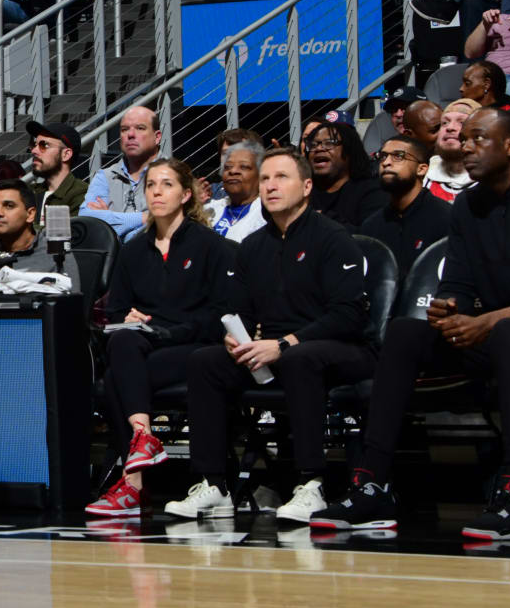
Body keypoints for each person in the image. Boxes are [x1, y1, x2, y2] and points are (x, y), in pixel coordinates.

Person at [312, 109, 510, 538]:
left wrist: (487, 320)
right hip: (497, 331)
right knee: (407, 332)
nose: (466, 146)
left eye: (478, 138)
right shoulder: (468, 204)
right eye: (463, 139)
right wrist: (449, 308)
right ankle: (371, 481)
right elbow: (459, 282)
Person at [165, 148, 374, 525]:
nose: (270, 186)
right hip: (270, 349)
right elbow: (236, 310)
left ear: (307, 186)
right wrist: (233, 338)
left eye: (281, 177)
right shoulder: (253, 247)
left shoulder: (333, 238)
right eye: (265, 179)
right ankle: (214, 484)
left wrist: (285, 343)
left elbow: (348, 315)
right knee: (206, 361)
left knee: (300, 358)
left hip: (338, 348)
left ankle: (312, 482)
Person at [86, 159, 232, 518]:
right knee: (122, 343)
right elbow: (115, 311)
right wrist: (127, 318)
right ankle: (143, 439)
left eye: (166, 185)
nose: (156, 192)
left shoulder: (210, 245)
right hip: (145, 344)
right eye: (151, 185)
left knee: (115, 379)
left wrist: (172, 330)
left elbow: (220, 315)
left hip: (194, 345)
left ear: (185, 195)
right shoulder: (134, 249)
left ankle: (133, 483)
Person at [359, 135, 452, 277]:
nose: (386, 163)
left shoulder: (446, 218)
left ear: (421, 169)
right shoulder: (371, 226)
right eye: (383, 156)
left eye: (398, 156)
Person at [83, 106, 163, 239]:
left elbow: (170, 222)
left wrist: (110, 220)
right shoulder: (105, 176)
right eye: (124, 129)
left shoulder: (173, 175)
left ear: (157, 137)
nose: (130, 135)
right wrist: (146, 217)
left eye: (140, 128)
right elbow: (87, 216)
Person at [301, 116, 387, 227]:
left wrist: (323, 219)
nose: (319, 149)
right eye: (313, 145)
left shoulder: (373, 192)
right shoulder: (302, 192)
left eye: (329, 143)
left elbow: (370, 239)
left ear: (349, 150)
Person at [205, 138, 267, 241]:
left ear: (260, 174)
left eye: (244, 167)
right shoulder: (209, 209)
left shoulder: (267, 213)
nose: (233, 171)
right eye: (228, 167)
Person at [27, 120, 87, 213]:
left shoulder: (84, 194)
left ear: (66, 154)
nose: (34, 151)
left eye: (44, 145)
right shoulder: (29, 192)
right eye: (34, 145)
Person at [426, 99, 479, 201]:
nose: (450, 127)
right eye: (444, 122)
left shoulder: (492, 181)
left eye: (462, 122)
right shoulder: (423, 176)